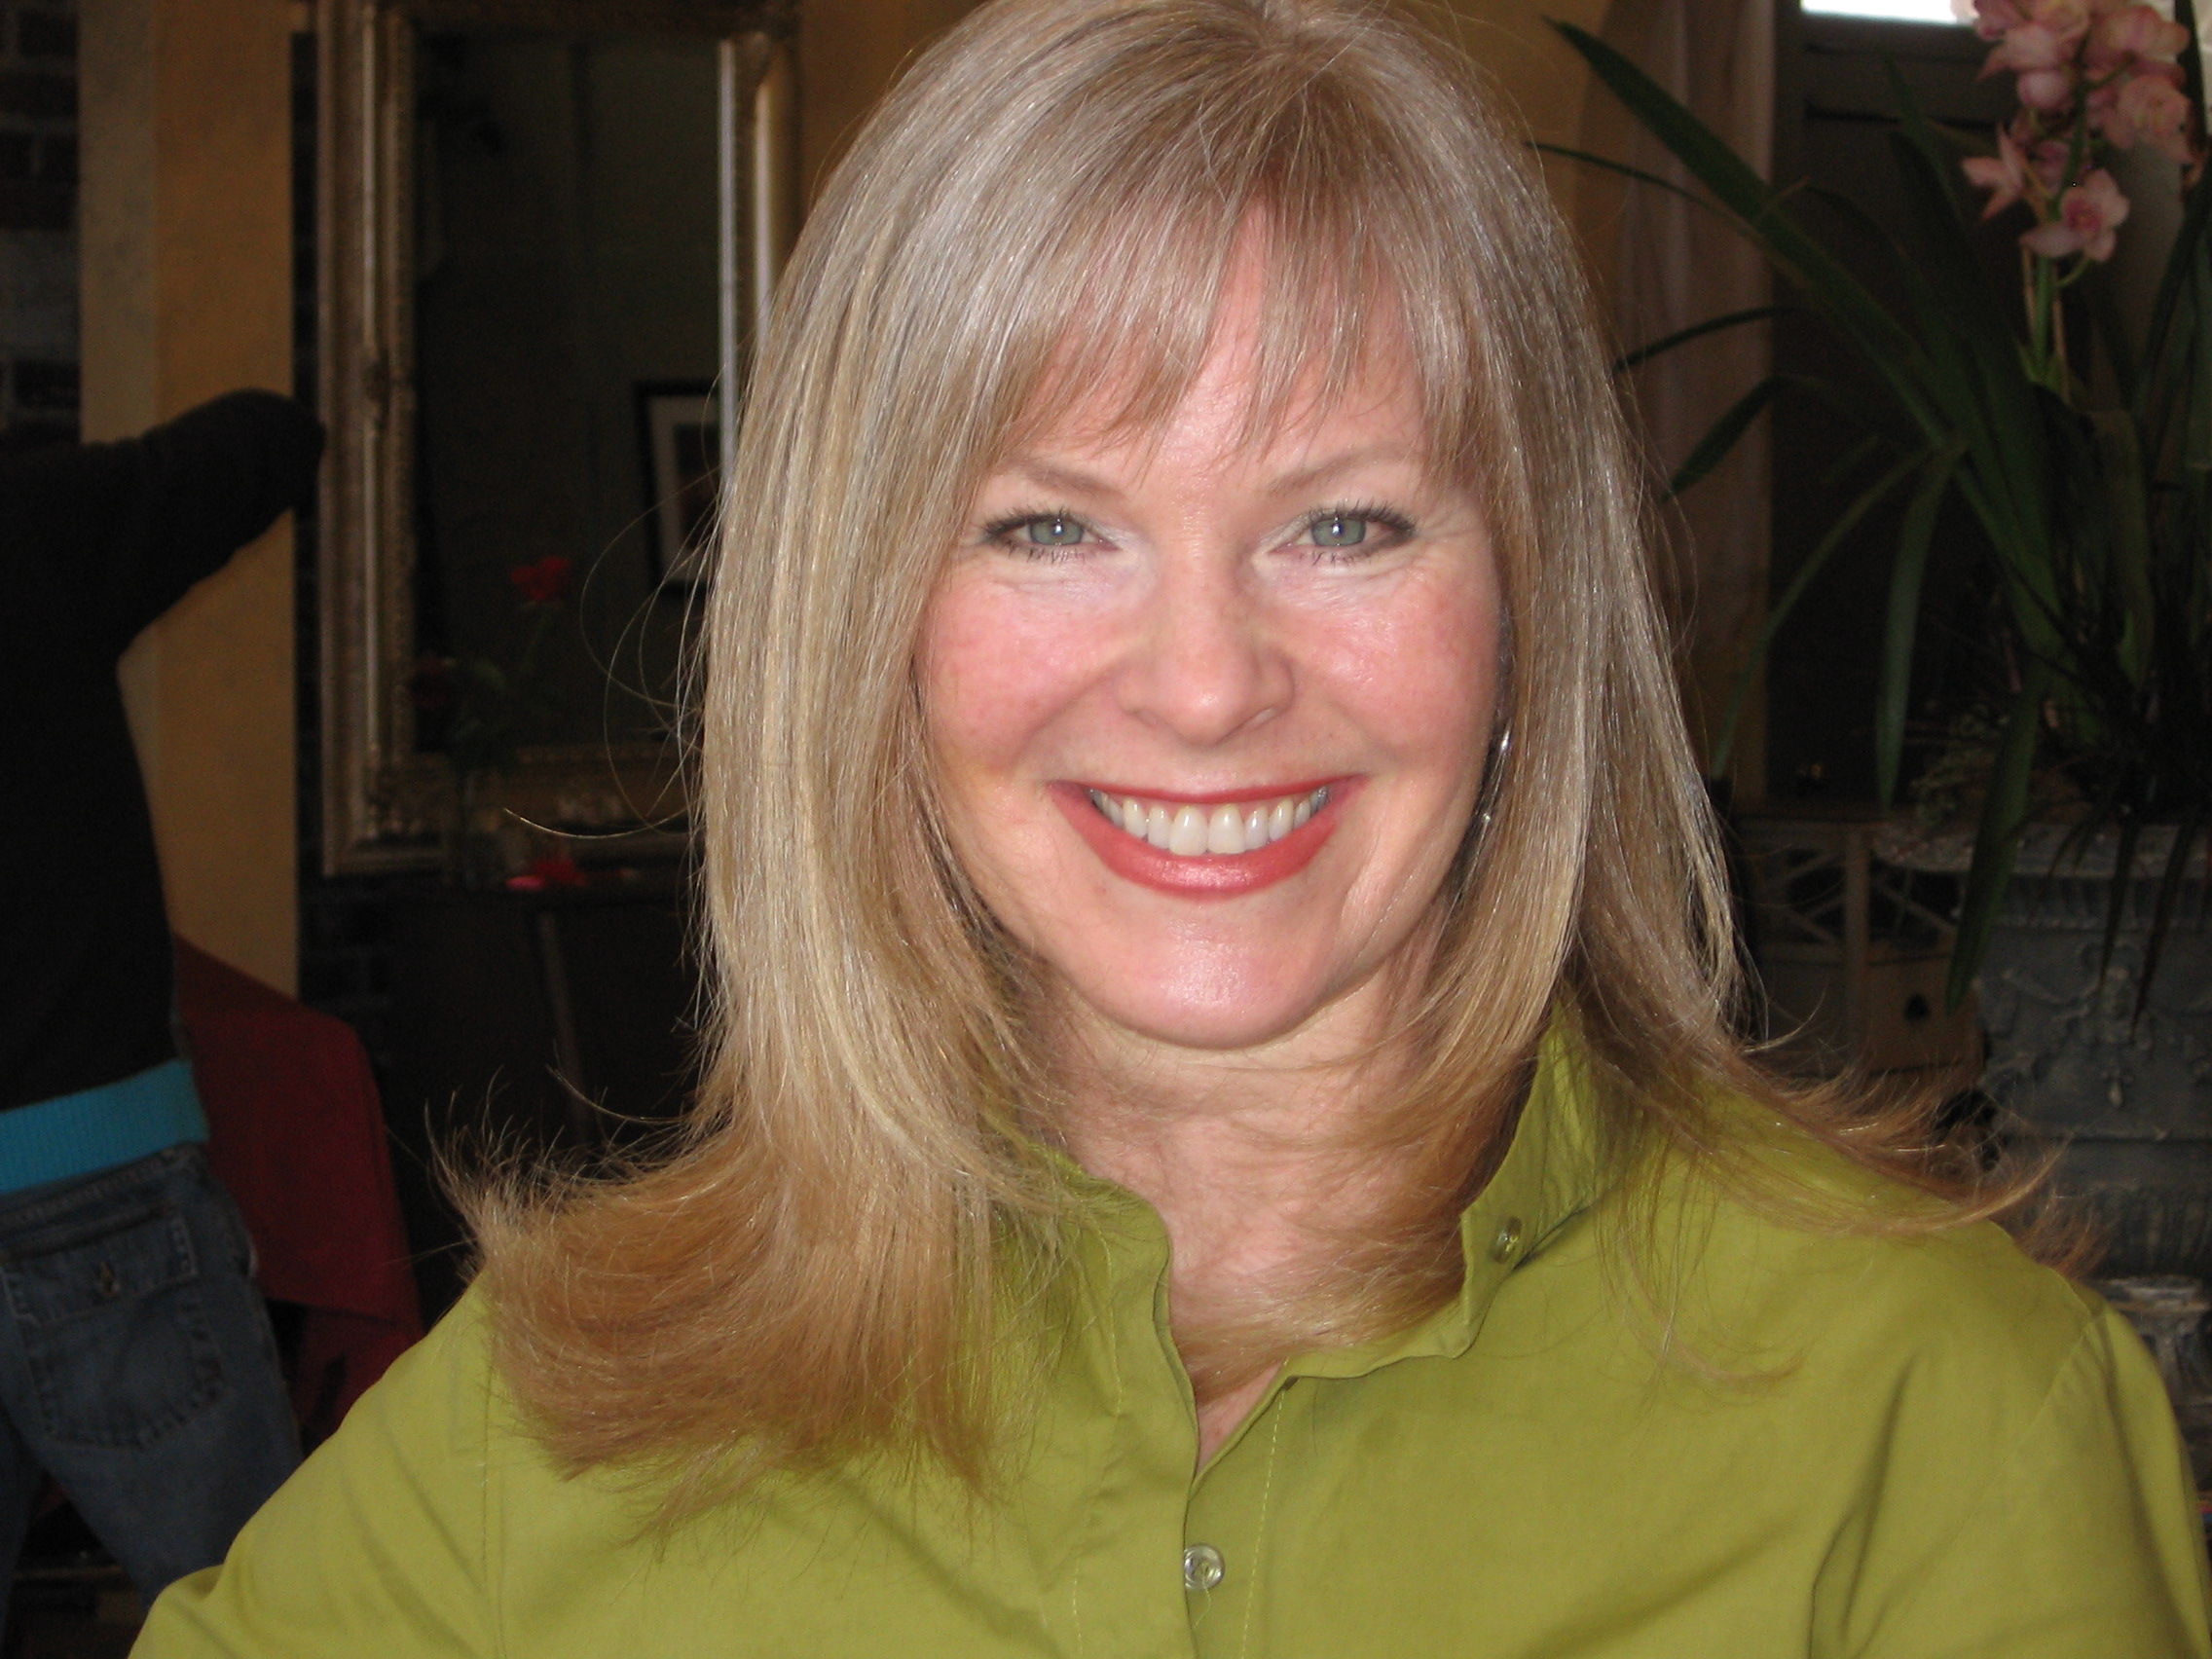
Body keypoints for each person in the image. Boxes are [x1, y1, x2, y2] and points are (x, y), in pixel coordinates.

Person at [135, 3, 2210, 1653]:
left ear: (1525, 613)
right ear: (870, 634)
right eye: (1049, 528)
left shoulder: (1936, 1415)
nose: (1205, 683)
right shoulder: (566, 1401)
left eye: (1344, 523)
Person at [0, 390, 319, 1617]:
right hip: (100, 1192)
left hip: (100, 1198)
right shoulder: (32, 526)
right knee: (273, 1625)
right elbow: (269, 436)